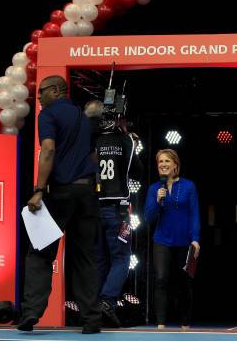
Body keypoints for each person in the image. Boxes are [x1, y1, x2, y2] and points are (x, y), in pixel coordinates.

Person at [18, 75, 101, 334]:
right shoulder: (83, 117)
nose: (38, 98)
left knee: (40, 252)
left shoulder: (49, 114)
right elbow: (93, 154)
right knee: (85, 257)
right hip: (87, 192)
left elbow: (49, 150)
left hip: (61, 193)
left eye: (41, 92)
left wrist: (39, 190)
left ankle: (31, 313)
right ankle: (91, 320)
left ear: (55, 91)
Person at [88, 101, 143, 327]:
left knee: (99, 260)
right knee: (121, 258)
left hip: (93, 208)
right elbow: (137, 173)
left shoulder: (91, 141)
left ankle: (94, 306)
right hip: (117, 209)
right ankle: (107, 301)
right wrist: (131, 140)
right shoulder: (127, 140)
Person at [144, 149, 200, 330]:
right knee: (161, 279)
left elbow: (194, 214)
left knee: (184, 282)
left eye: (167, 161)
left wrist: (196, 239)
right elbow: (149, 218)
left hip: (184, 241)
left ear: (175, 164)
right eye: (160, 161)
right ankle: (160, 323)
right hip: (162, 240)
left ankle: (185, 323)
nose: (163, 164)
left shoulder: (189, 186)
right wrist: (157, 201)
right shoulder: (154, 189)